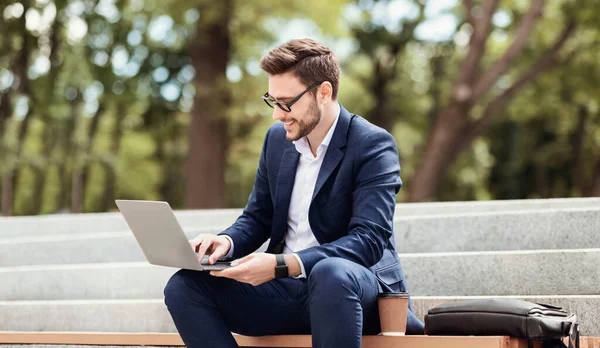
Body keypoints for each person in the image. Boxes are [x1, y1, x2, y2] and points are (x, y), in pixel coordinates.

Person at [163, 38, 424, 348]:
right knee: (184, 286)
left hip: (351, 294)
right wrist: (226, 242)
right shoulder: (277, 140)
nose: (277, 114)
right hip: (286, 292)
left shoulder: (371, 144)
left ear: (323, 92)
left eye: (286, 102)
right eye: (272, 101)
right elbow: (258, 217)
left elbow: (368, 241)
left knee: (330, 273)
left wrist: (282, 264)